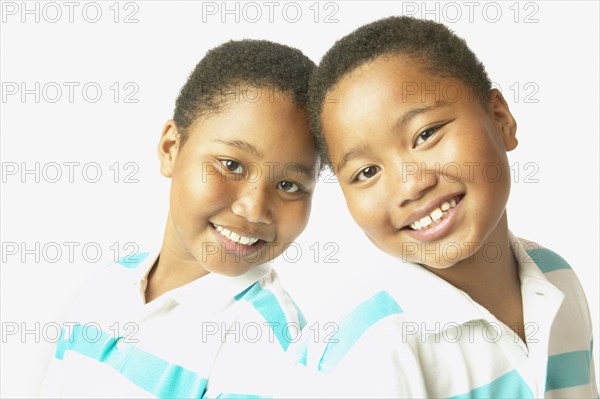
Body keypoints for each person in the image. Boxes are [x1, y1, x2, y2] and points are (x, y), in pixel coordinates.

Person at [302, 16, 598, 398]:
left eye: (426, 134)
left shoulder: (558, 278)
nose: (410, 184)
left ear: (500, 119)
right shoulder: (370, 347)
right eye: (367, 172)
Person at [40, 39, 319, 398]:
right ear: (171, 148)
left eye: (288, 184)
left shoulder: (270, 347)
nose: (253, 208)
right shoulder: (108, 284)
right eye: (231, 165)